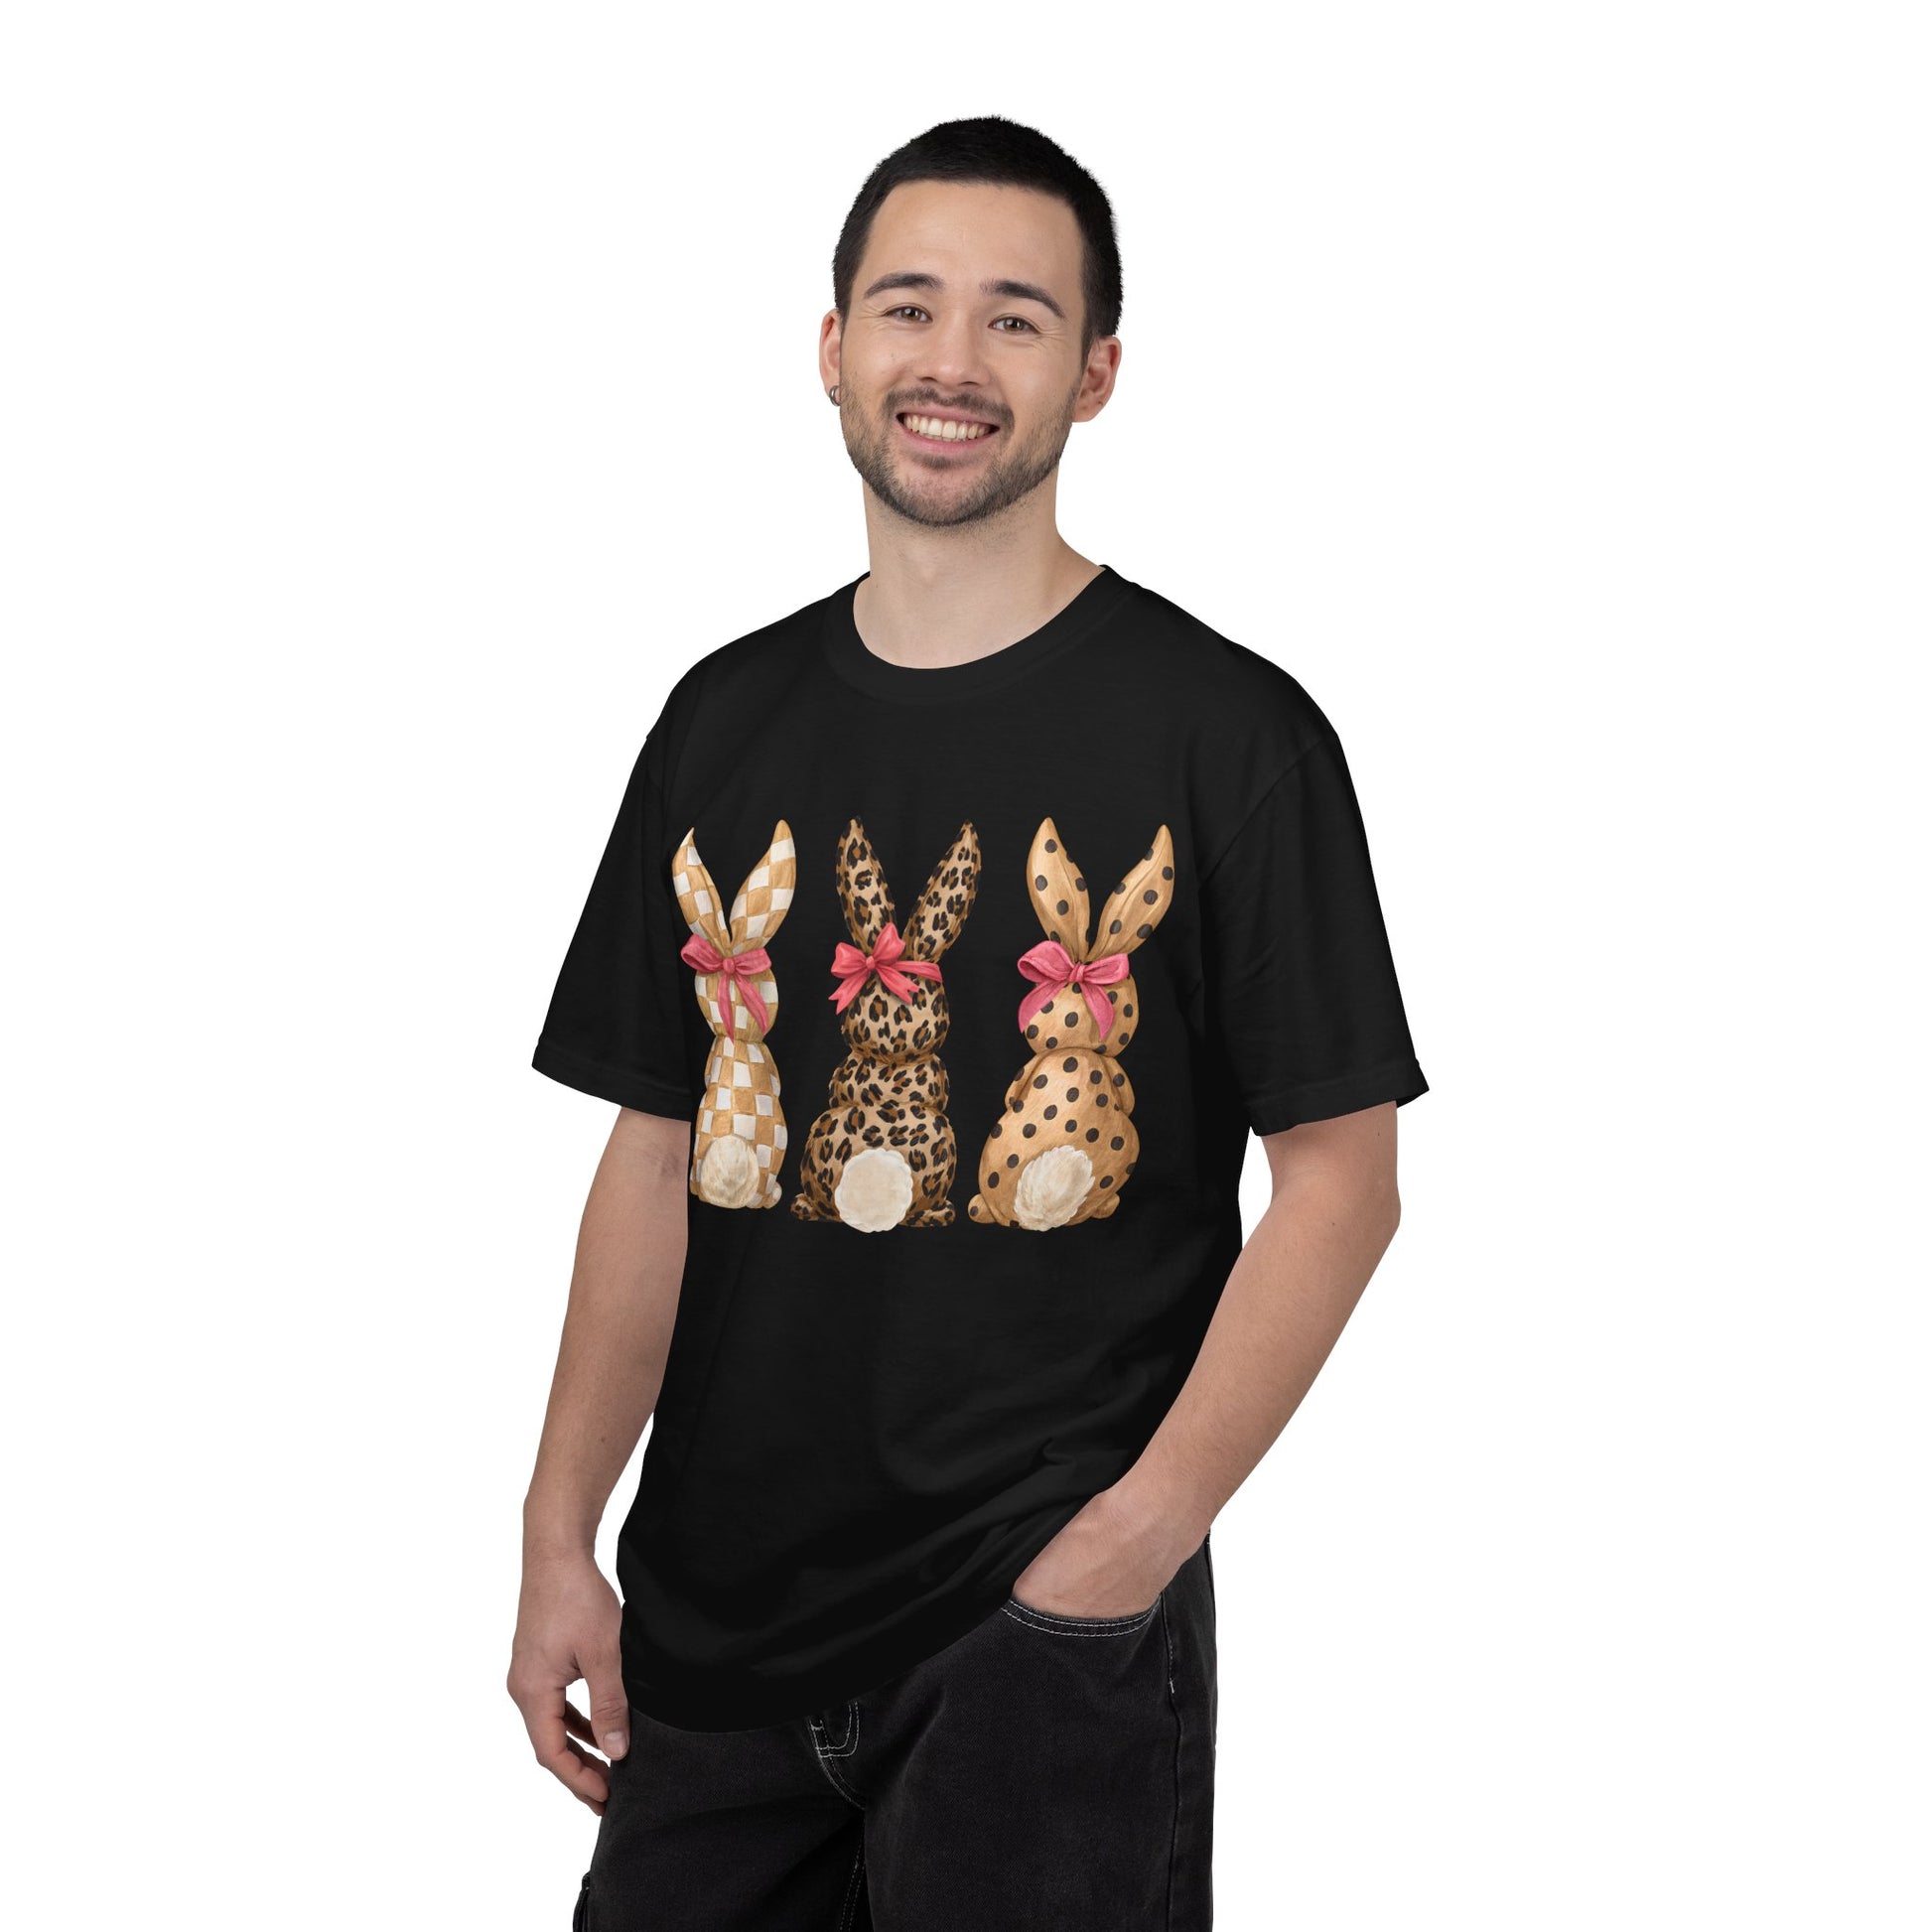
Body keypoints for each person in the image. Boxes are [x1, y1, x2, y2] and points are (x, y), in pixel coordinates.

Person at [510, 114, 1428, 1931]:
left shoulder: (1227, 734)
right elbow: (657, 1147)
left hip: (1035, 1641)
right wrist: (557, 1534)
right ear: (830, 346)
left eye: (1016, 317)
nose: (950, 360)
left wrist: (1131, 1543)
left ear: (1095, 373)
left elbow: (1342, 1178)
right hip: (710, 1631)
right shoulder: (721, 720)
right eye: (906, 306)